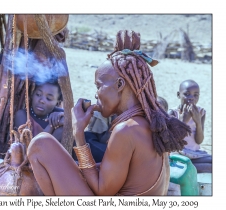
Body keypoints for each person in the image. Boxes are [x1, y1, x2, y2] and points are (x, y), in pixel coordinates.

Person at [27, 30, 191, 196]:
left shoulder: (127, 130)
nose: (96, 94)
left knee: (41, 145)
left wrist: (79, 133)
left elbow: (102, 190)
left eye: (99, 86)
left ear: (120, 84)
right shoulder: (151, 123)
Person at [168, 79, 212, 173]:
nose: (191, 97)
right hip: (178, 153)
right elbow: (172, 141)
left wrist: (198, 122)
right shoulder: (173, 113)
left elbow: (199, 140)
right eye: (187, 94)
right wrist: (184, 120)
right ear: (178, 94)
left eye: (195, 95)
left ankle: (191, 168)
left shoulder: (201, 112)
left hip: (194, 154)